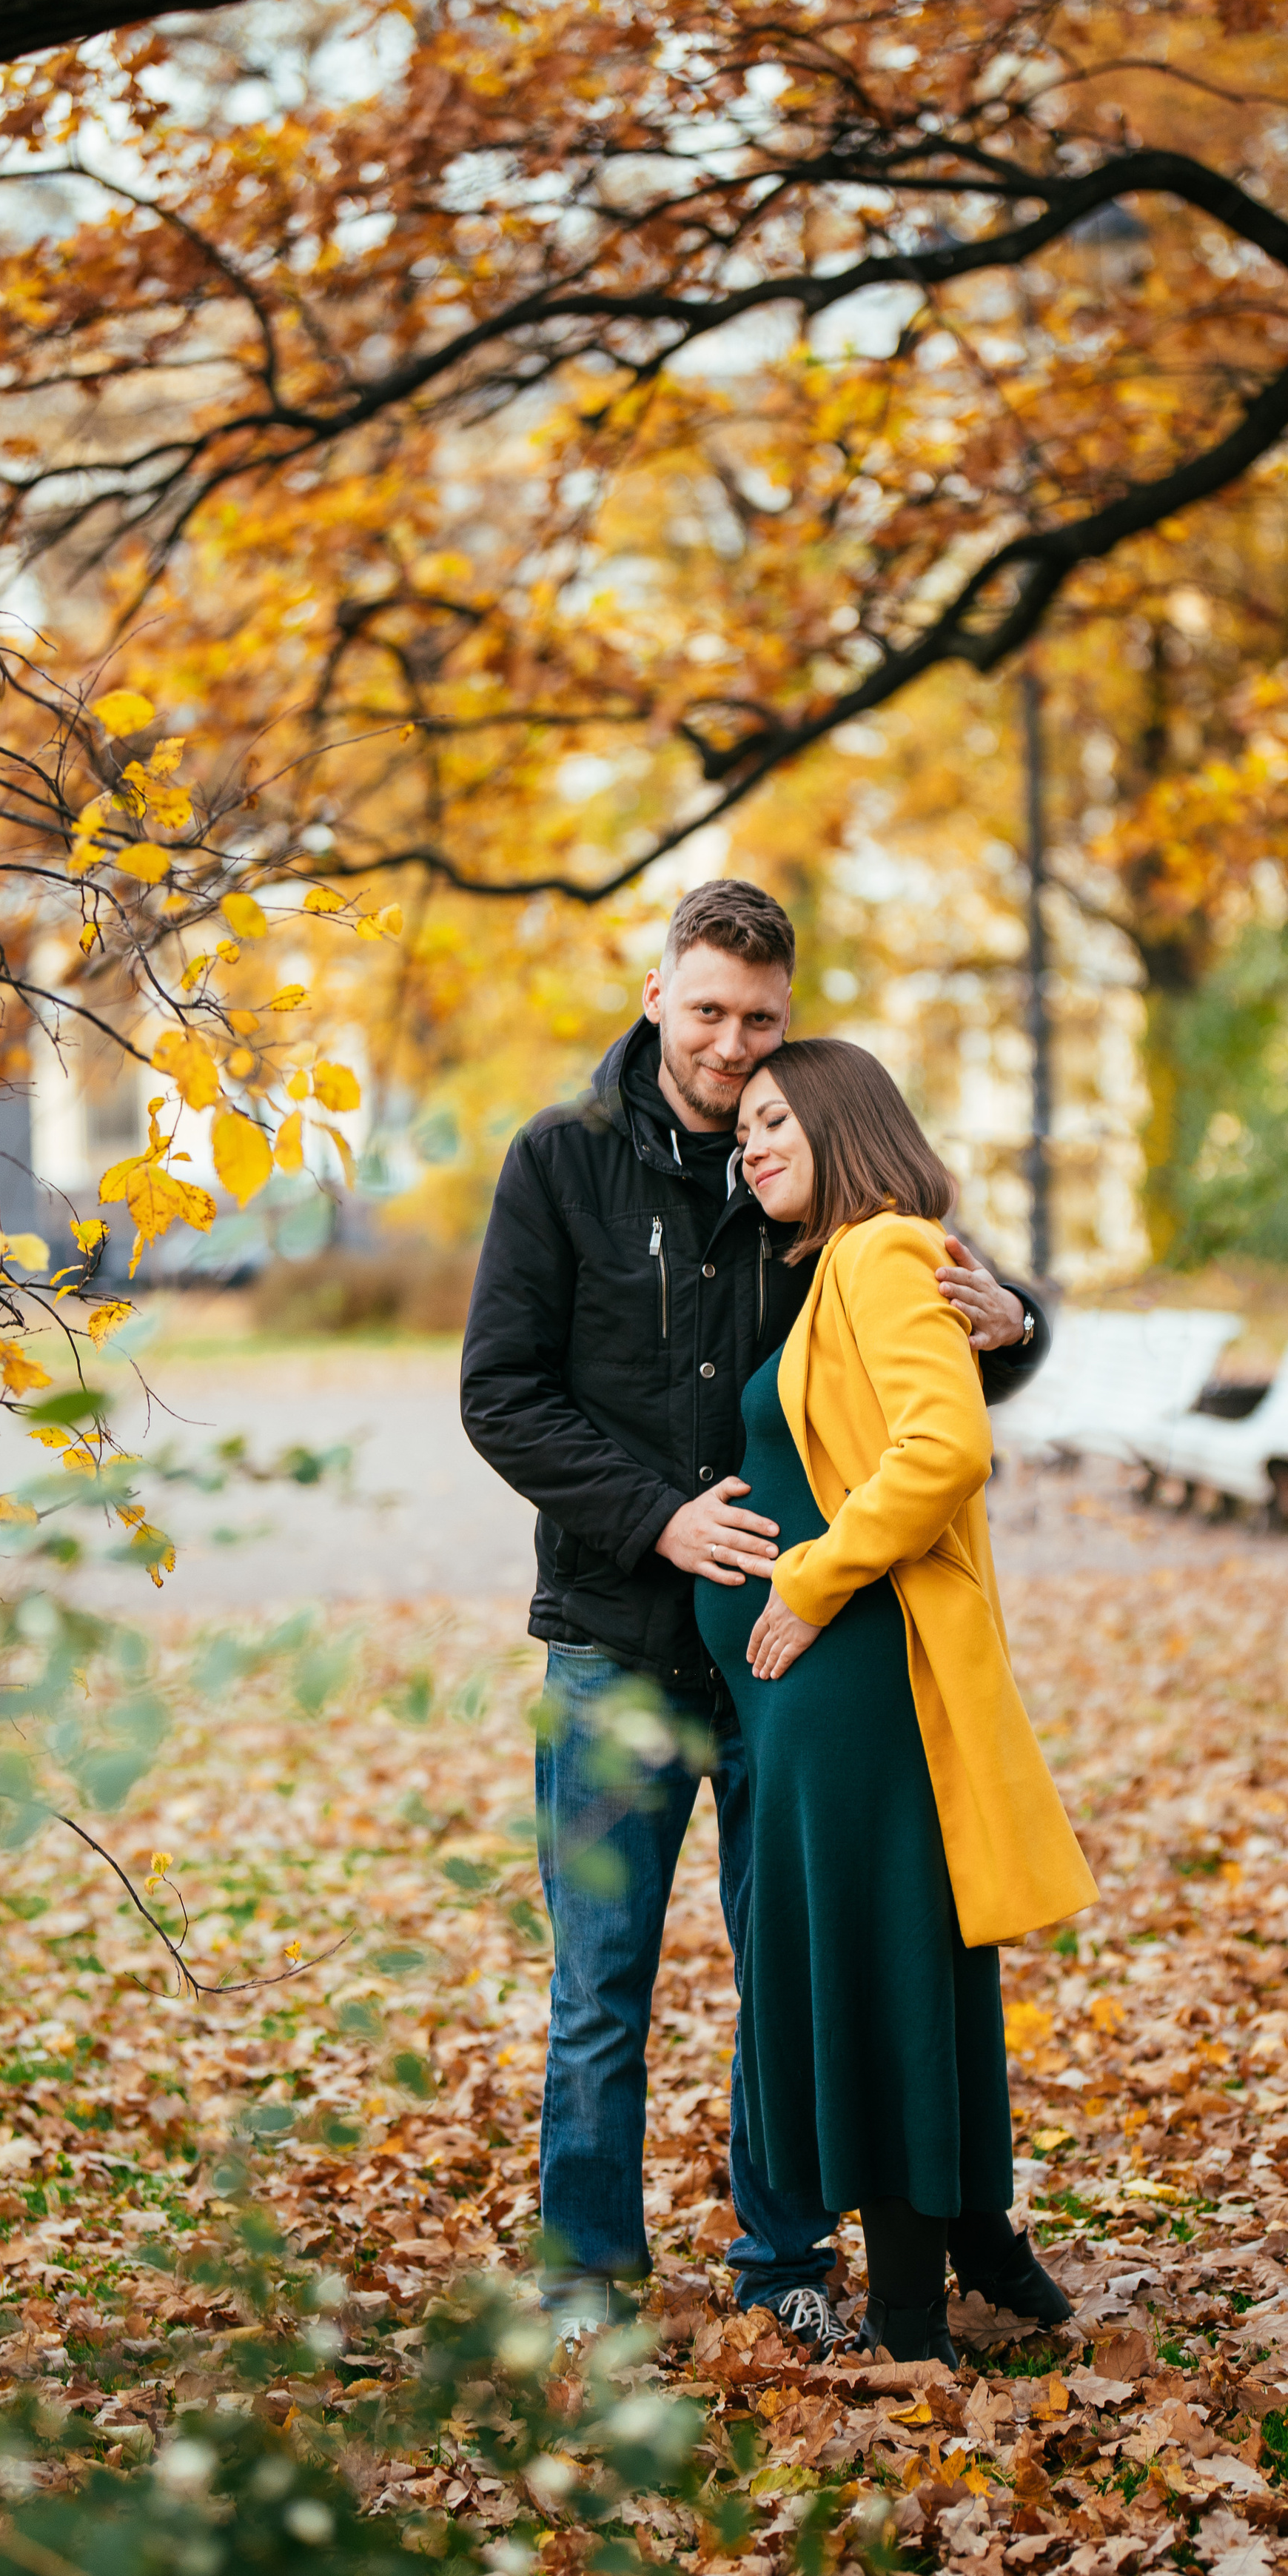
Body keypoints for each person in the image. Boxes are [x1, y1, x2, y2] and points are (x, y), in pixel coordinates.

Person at [460, 878, 1052, 2347]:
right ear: (655, 991)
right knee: (601, 1979)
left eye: (760, 1019)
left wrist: (1021, 1325)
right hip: (613, 1643)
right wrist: (655, 1513)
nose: (732, 1045)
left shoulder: (804, 1162)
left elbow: (930, 1336)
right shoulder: (561, 1160)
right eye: (708, 1009)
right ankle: (588, 2275)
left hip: (791, 1663)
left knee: (785, 1969)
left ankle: (779, 2257)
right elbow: (499, 1392)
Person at [695, 1037, 1099, 2364]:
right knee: (903, 1970)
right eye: (741, 1127)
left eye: (772, 1123)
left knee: (878, 1975)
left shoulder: (878, 1253)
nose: (750, 1145)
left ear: (838, 1121)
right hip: (824, 1700)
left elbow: (947, 1447)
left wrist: (807, 1584)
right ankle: (979, 2251)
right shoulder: (839, 1269)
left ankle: (915, 2316)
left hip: (855, 1683)